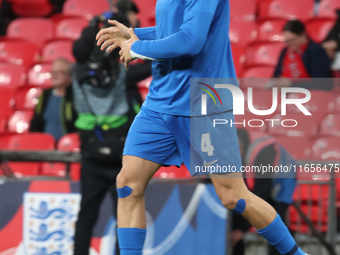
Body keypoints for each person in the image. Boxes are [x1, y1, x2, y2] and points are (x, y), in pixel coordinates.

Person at [96, 1, 308, 255]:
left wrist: (138, 47)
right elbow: (172, 29)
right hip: (160, 102)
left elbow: (191, 40)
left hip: (204, 102)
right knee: (128, 184)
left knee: (233, 196)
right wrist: (135, 35)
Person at [71, 9, 150, 255]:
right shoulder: (122, 75)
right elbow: (150, 64)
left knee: (86, 214)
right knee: (124, 211)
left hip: (90, 152)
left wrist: (93, 26)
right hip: (120, 153)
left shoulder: (76, 75)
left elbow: (80, 48)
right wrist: (130, 29)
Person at [231, 129, 297, 255]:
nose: (237, 152)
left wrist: (241, 230)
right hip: (258, 182)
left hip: (281, 183)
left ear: (244, 145)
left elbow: (262, 192)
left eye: (239, 148)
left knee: (275, 224)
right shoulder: (230, 149)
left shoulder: (262, 151)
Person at [270, 20, 333, 91]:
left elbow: (321, 83)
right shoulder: (285, 51)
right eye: (286, 41)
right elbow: (275, 76)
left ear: (303, 35)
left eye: (292, 40)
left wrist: (291, 84)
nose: (289, 44)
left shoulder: (316, 51)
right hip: (282, 92)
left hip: (308, 94)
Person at [29, 58, 77, 141]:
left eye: (60, 72)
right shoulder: (45, 95)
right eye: (53, 72)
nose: (55, 75)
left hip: (67, 147)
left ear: (70, 76)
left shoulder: (75, 96)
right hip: (45, 148)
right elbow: (36, 123)